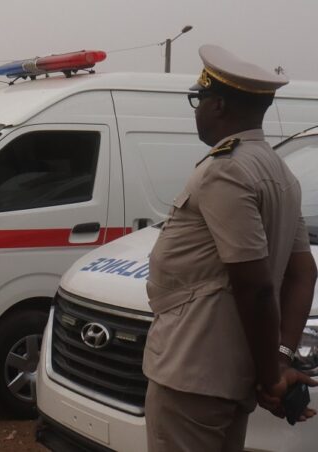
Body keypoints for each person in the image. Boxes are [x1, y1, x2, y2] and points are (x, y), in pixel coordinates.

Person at [143, 44, 318, 452]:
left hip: (192, 373)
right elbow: (303, 272)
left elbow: (255, 286)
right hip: (225, 377)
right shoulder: (280, 172)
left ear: (218, 105)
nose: (197, 111)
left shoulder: (226, 169)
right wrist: (279, 359)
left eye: (199, 100)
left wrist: (273, 375)